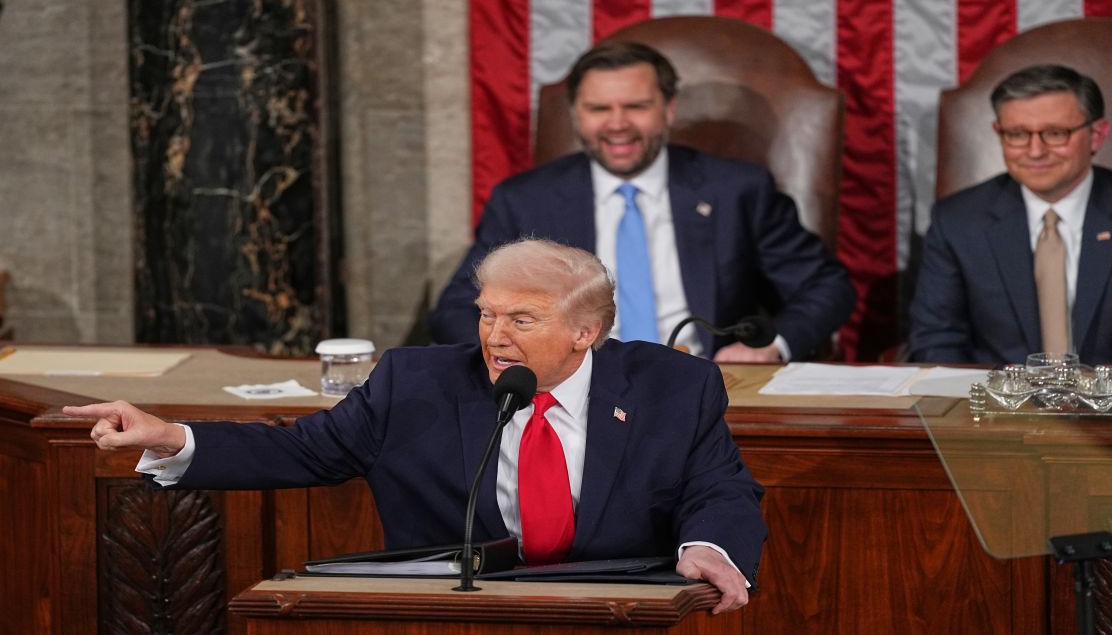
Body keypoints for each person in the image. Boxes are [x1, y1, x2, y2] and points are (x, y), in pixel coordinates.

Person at [65, 239, 767, 614]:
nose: (496, 335)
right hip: (454, 616)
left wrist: (711, 547)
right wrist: (169, 436)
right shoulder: (416, 382)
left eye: (521, 319)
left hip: (616, 612)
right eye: (487, 313)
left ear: (587, 330)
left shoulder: (675, 385)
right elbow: (302, 451)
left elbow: (719, 487)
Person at [429, 40, 855, 363]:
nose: (618, 124)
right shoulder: (525, 200)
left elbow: (825, 286)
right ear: (577, 115)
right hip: (568, 389)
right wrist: (524, 358)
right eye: (599, 108)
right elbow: (455, 311)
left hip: (708, 385)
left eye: (636, 106)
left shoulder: (736, 189)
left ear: (668, 109)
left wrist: (767, 345)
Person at [909, 64, 1112, 369]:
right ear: (999, 133)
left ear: (1097, 135)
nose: (1035, 151)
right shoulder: (957, 221)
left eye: (1055, 133)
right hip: (1000, 408)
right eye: (1018, 134)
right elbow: (936, 342)